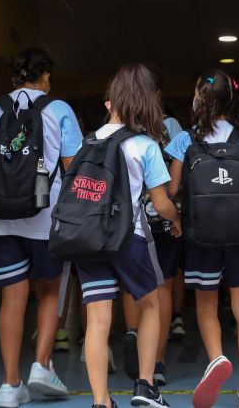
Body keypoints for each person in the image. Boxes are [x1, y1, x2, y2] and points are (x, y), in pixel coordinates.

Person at [0, 48, 80, 408]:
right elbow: (72, 168)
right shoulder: (59, 110)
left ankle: (10, 385)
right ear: (46, 77)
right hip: (47, 217)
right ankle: (42, 365)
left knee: (12, 299)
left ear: (13, 78)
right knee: (50, 290)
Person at [75, 62, 181, 408]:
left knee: (98, 319)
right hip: (128, 238)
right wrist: (177, 219)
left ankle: (101, 401)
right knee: (151, 304)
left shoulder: (87, 143)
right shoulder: (144, 145)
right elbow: (161, 204)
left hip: (88, 239)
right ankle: (146, 386)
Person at [165, 71, 239, 408]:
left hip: (200, 234)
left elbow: (173, 189)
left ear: (198, 98)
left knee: (206, 305)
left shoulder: (185, 140)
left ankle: (217, 359)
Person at [122, 64, 184, 387]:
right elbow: (176, 181)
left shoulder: (120, 126)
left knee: (130, 287)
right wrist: (177, 216)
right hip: (162, 220)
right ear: (157, 95)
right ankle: (157, 361)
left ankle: (135, 343)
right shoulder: (170, 126)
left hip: (126, 222)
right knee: (163, 286)